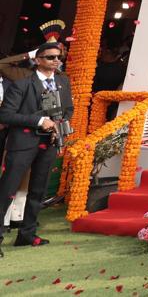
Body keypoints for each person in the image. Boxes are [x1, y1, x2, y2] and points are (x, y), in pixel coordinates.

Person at [0, 41, 72, 252]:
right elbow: (5, 114)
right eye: (50, 57)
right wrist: (39, 121)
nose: (56, 60)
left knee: (38, 191)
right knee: (7, 189)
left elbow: (68, 109)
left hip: (49, 142)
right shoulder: (22, 83)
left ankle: (27, 234)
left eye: (58, 57)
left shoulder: (62, 82)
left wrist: (59, 126)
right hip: (23, 142)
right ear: (38, 60)